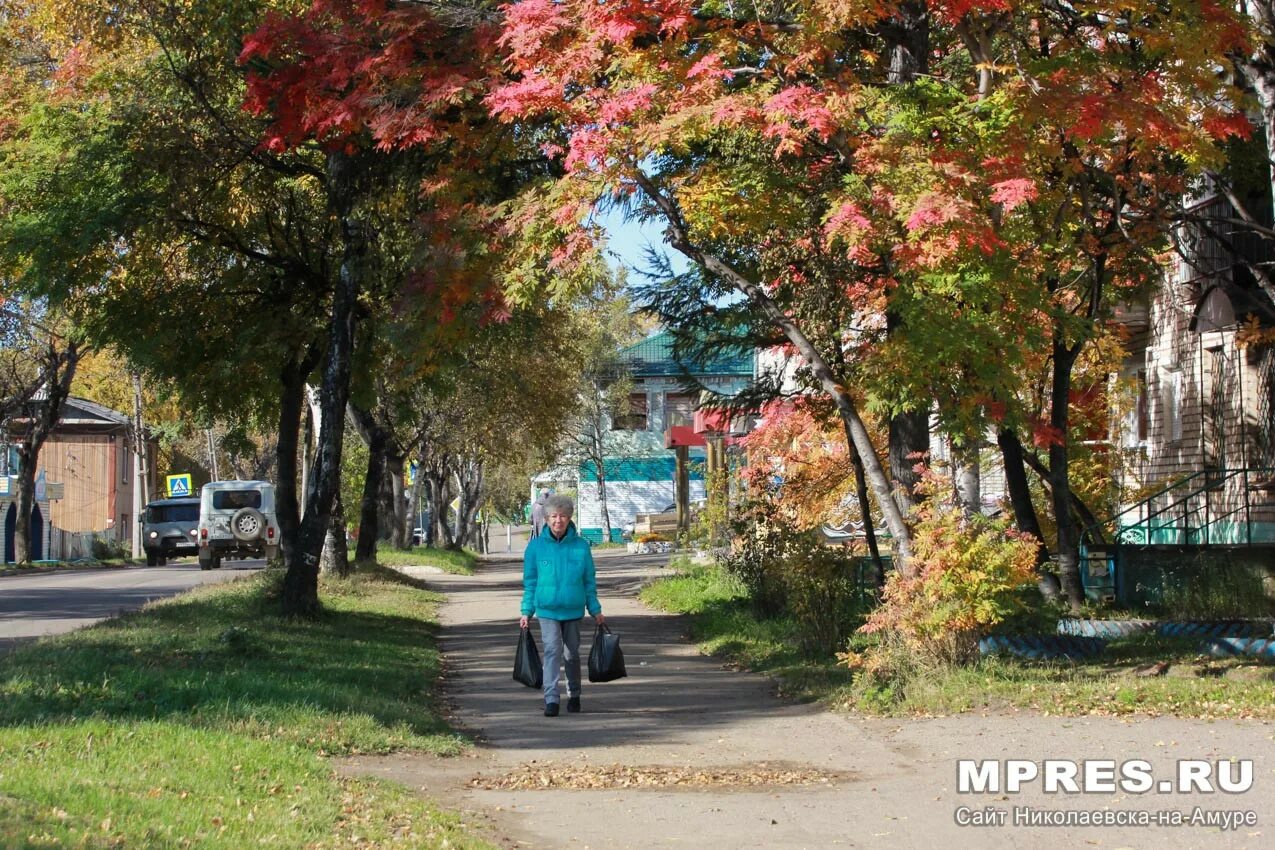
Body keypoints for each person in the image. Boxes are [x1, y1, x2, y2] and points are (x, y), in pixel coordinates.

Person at [519, 495, 605, 716]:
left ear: (570, 518)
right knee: (552, 651)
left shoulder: (581, 547)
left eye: (563, 516)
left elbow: (589, 580)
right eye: (554, 516)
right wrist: (526, 611)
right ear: (546, 519)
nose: (559, 520)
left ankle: (574, 694)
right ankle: (551, 699)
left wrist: (595, 609)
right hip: (547, 610)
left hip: (573, 609)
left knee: (571, 654)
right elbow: (530, 582)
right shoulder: (535, 548)